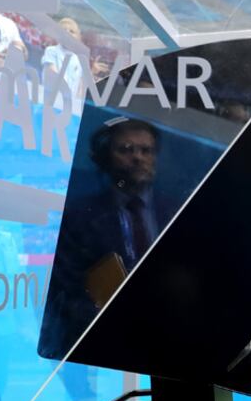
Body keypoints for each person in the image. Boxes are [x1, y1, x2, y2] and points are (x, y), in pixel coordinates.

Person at [39, 117, 168, 362]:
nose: (138, 158)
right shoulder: (79, 217)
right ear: (104, 158)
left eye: (146, 150)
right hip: (103, 344)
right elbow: (67, 289)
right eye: (126, 150)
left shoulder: (174, 210)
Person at [40, 17, 88, 106]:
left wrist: (78, 103)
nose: (67, 33)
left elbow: (80, 86)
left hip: (70, 105)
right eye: (63, 30)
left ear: (78, 37)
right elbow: (53, 74)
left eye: (72, 31)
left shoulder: (79, 59)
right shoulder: (52, 51)